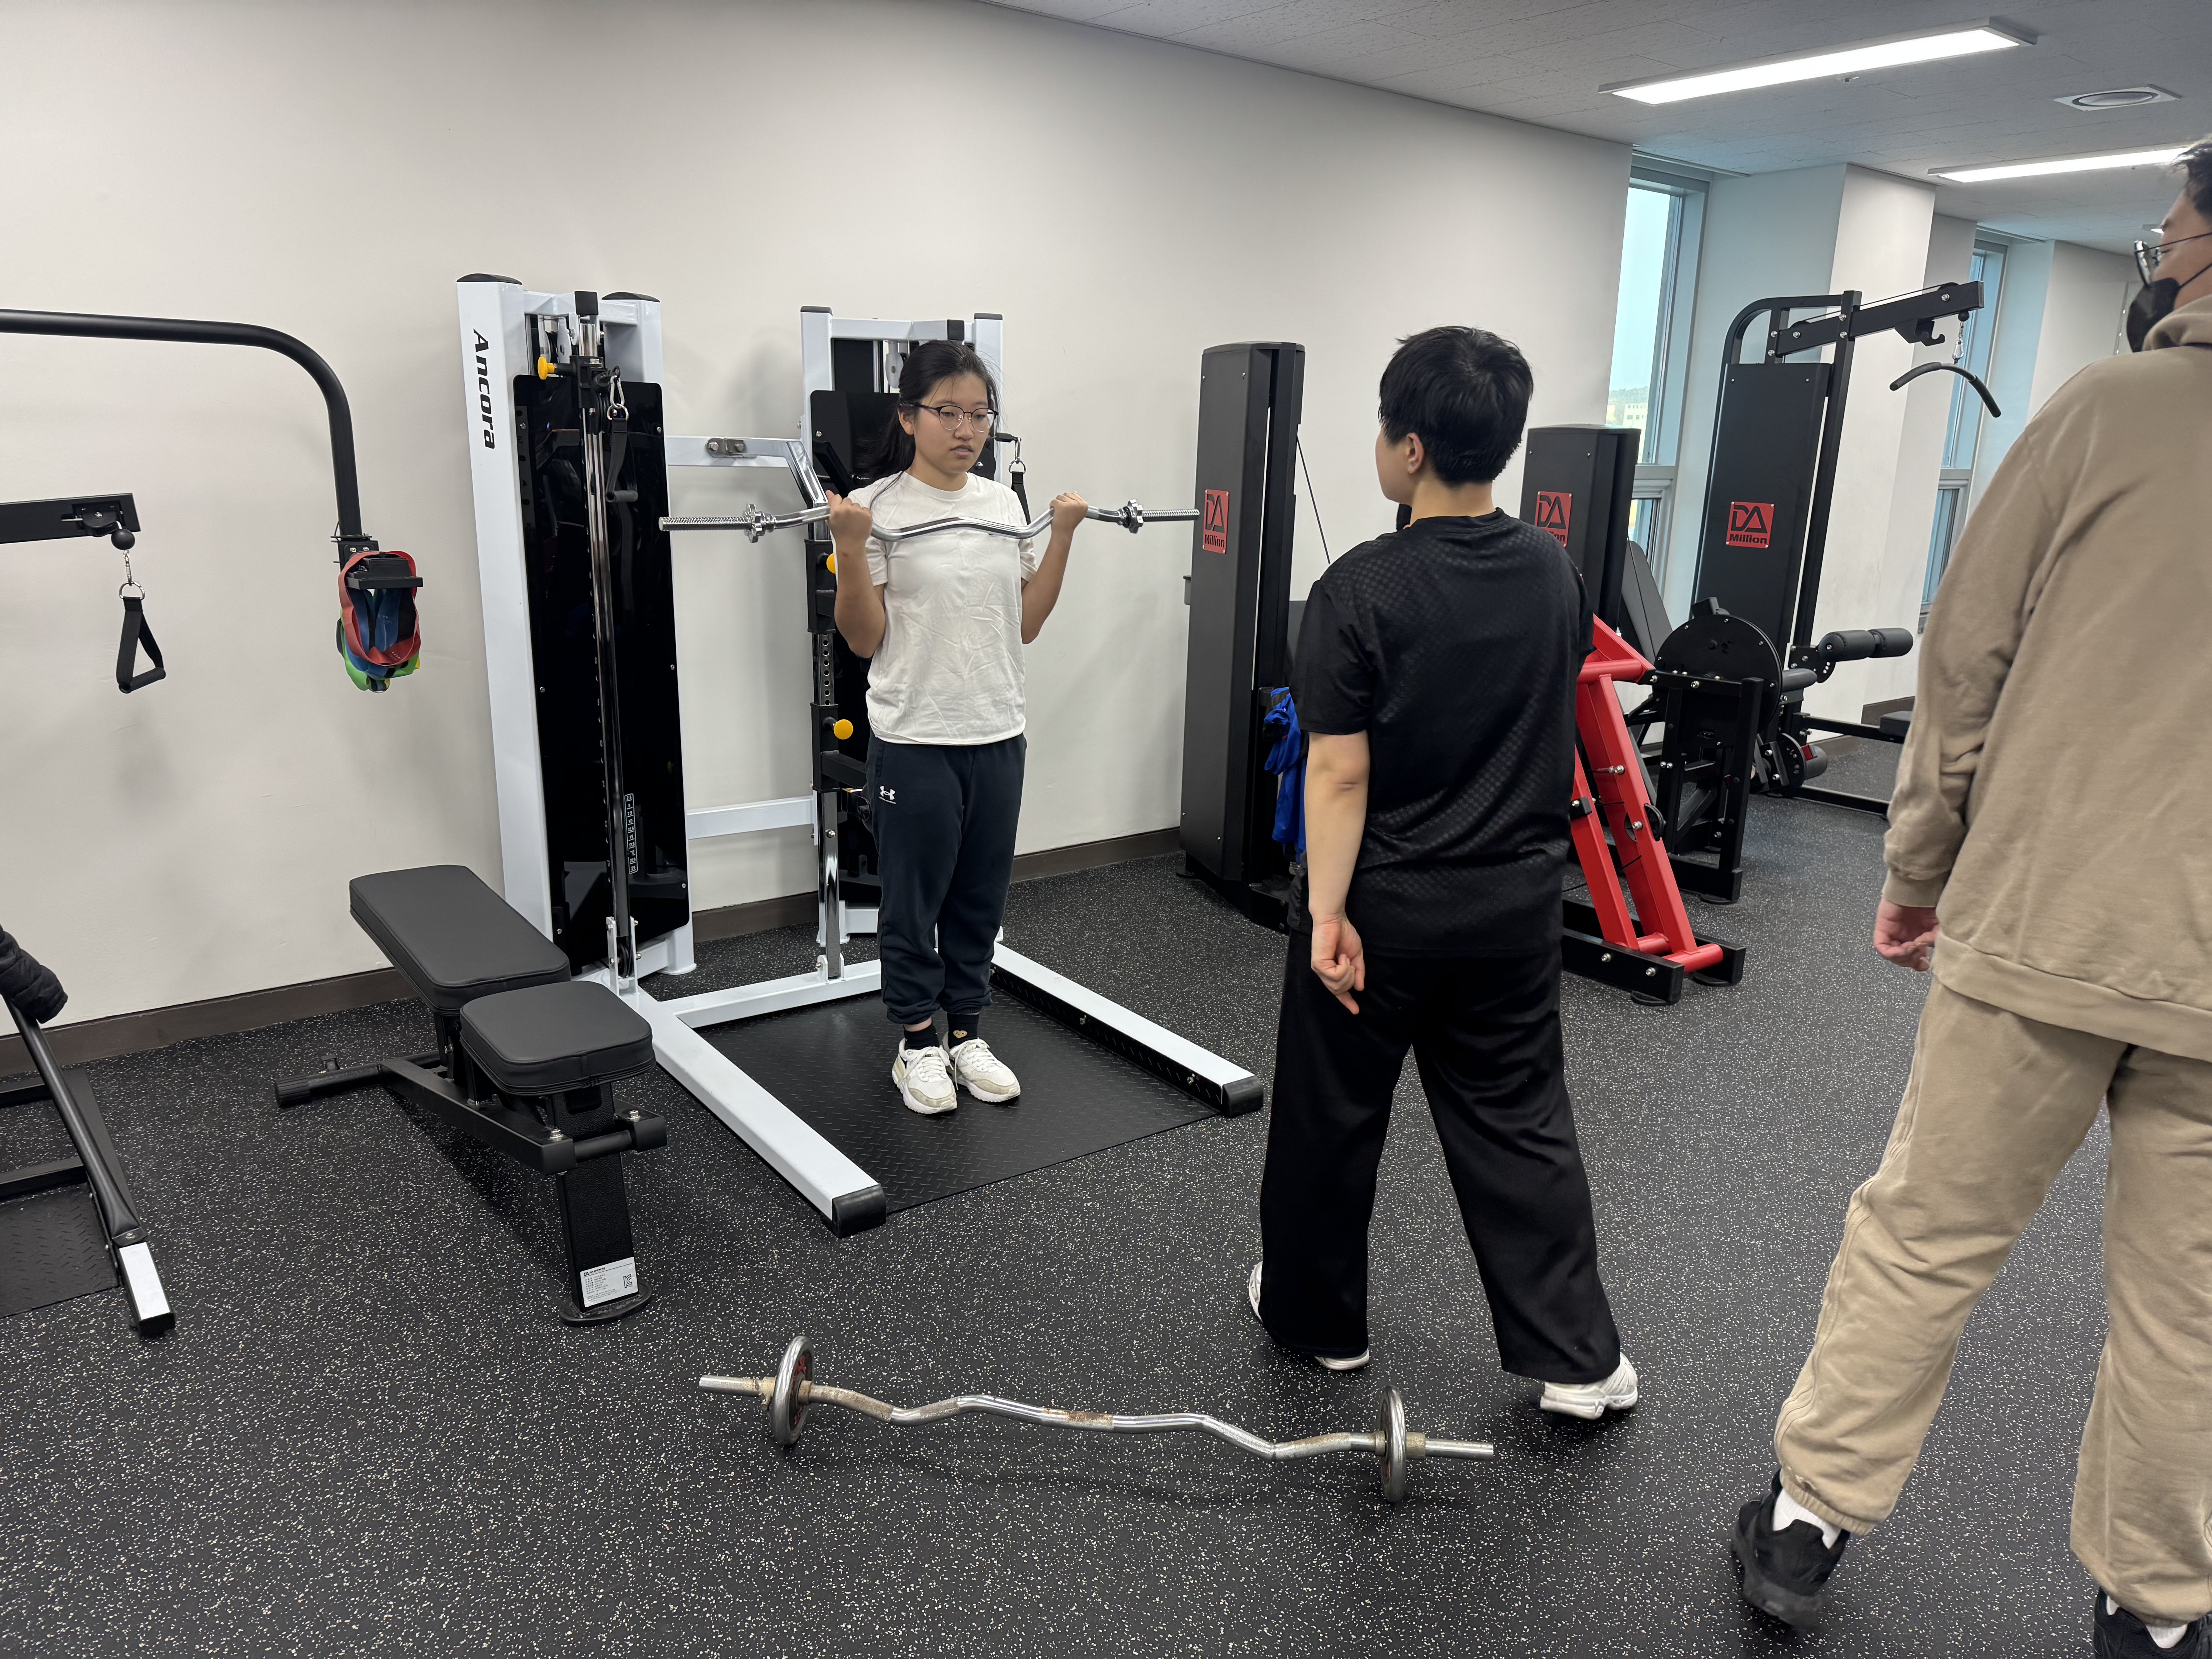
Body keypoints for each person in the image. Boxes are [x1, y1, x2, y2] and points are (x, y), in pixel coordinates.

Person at [1730, 139, 2212, 1657]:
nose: (2159, 244)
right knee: (2191, 1306)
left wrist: (1917, 868)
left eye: (2175, 221)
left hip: (2044, 922)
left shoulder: (2106, 408)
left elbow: (1964, 657)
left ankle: (1809, 1518)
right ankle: (2160, 1605)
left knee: (1927, 1231)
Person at [1245, 325, 1635, 1418]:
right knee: (1520, 1123)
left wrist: (1326, 910)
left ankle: (1319, 1325)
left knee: (1331, 1114)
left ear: (1411, 448)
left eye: (1384, 429)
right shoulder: (1554, 570)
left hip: (1387, 908)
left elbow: (1337, 771)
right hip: (1514, 909)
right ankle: (1579, 1361)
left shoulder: (1359, 588)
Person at [825, 341, 1087, 1116]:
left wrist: (1063, 536)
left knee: (980, 899)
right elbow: (863, 639)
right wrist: (849, 548)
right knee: (913, 904)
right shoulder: (877, 508)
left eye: (979, 413)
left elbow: (1026, 623)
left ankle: (967, 1031)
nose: (966, 428)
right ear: (909, 418)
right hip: (916, 738)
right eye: (948, 412)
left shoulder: (1004, 507)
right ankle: (916, 1043)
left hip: (998, 729)